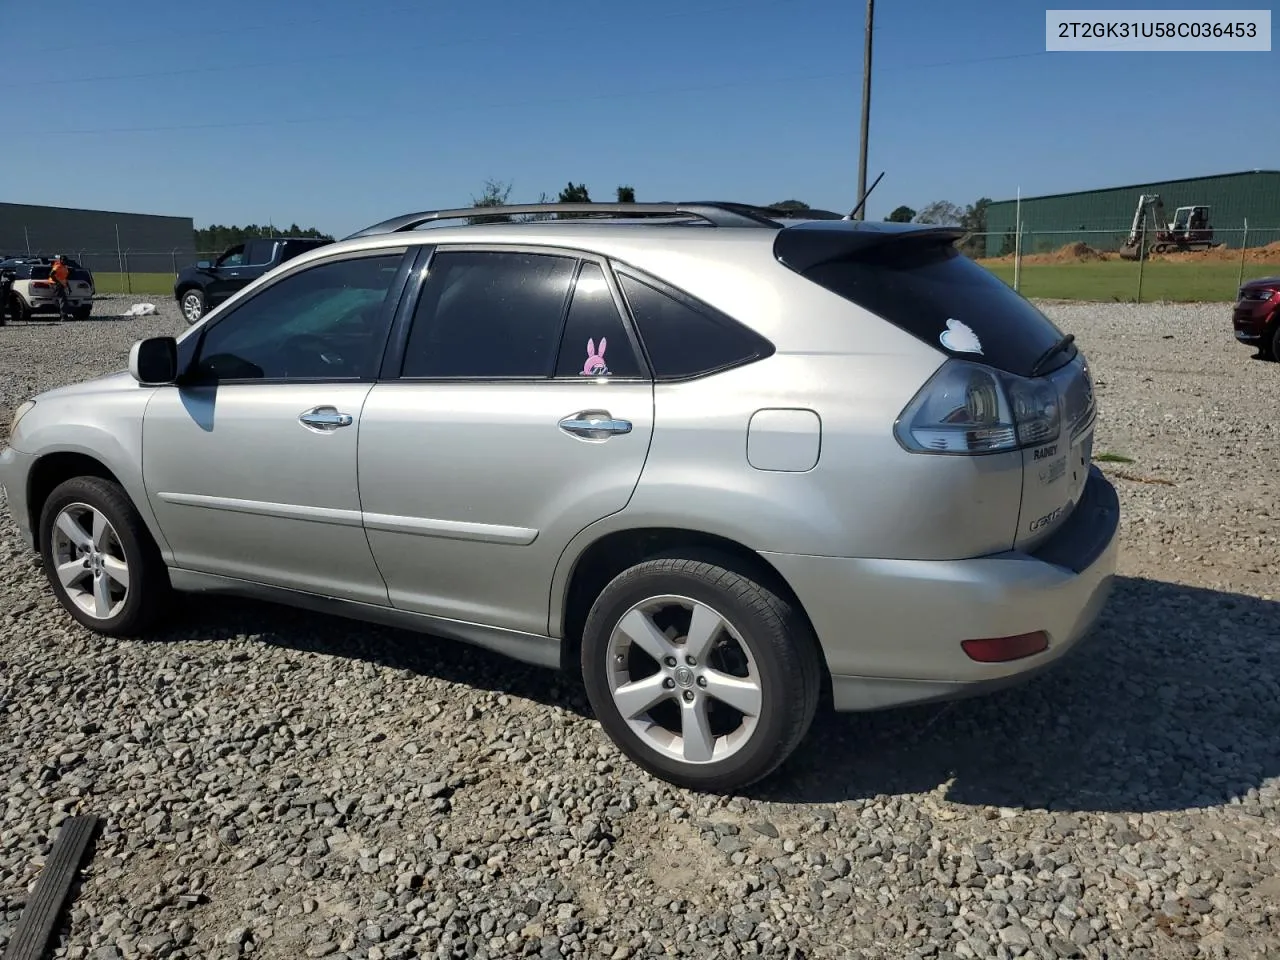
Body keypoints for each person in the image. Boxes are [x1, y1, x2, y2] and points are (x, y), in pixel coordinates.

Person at [49, 254, 72, 323]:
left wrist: (68, 287)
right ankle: (63, 316)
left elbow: (64, 278)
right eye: (63, 260)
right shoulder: (57, 266)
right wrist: (57, 282)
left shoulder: (65, 267)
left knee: (62, 300)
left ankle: (62, 314)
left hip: (61, 285)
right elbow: (51, 274)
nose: (65, 261)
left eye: (65, 260)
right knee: (63, 299)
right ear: (60, 260)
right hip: (55, 284)